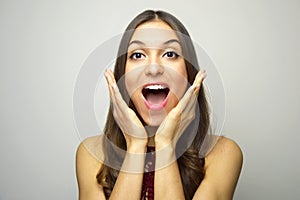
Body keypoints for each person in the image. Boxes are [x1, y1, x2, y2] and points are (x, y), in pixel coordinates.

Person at [76, 10, 243, 200]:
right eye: (138, 55)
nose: (153, 68)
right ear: (122, 77)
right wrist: (136, 145)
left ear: (189, 74)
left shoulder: (223, 153)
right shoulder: (92, 154)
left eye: (170, 54)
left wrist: (166, 145)